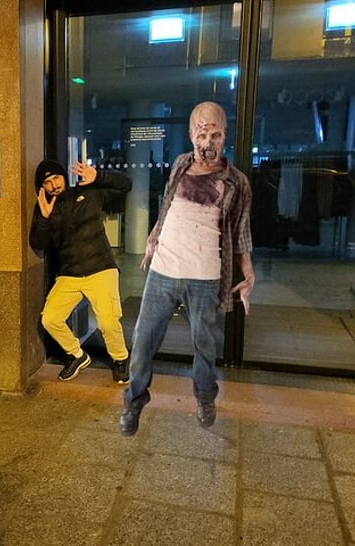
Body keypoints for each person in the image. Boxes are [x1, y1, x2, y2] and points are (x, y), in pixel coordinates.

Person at [119, 101, 255, 435]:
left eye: (215, 135)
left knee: (204, 345)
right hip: (163, 271)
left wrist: (248, 273)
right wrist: (152, 240)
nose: (208, 142)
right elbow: (166, 207)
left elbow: (241, 232)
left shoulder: (237, 182)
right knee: (142, 341)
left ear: (225, 136)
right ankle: (134, 401)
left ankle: (205, 397)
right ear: (191, 134)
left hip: (205, 277)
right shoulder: (180, 164)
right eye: (202, 134)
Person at [29, 159, 132, 383]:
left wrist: (100, 177)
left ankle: (120, 359)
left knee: (108, 322)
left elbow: (126, 185)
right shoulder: (45, 207)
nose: (54, 184)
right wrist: (44, 219)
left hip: (100, 267)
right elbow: (38, 242)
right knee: (50, 319)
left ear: (64, 177)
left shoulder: (89, 193)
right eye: (47, 182)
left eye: (56, 178)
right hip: (69, 273)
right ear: (42, 187)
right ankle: (77, 355)